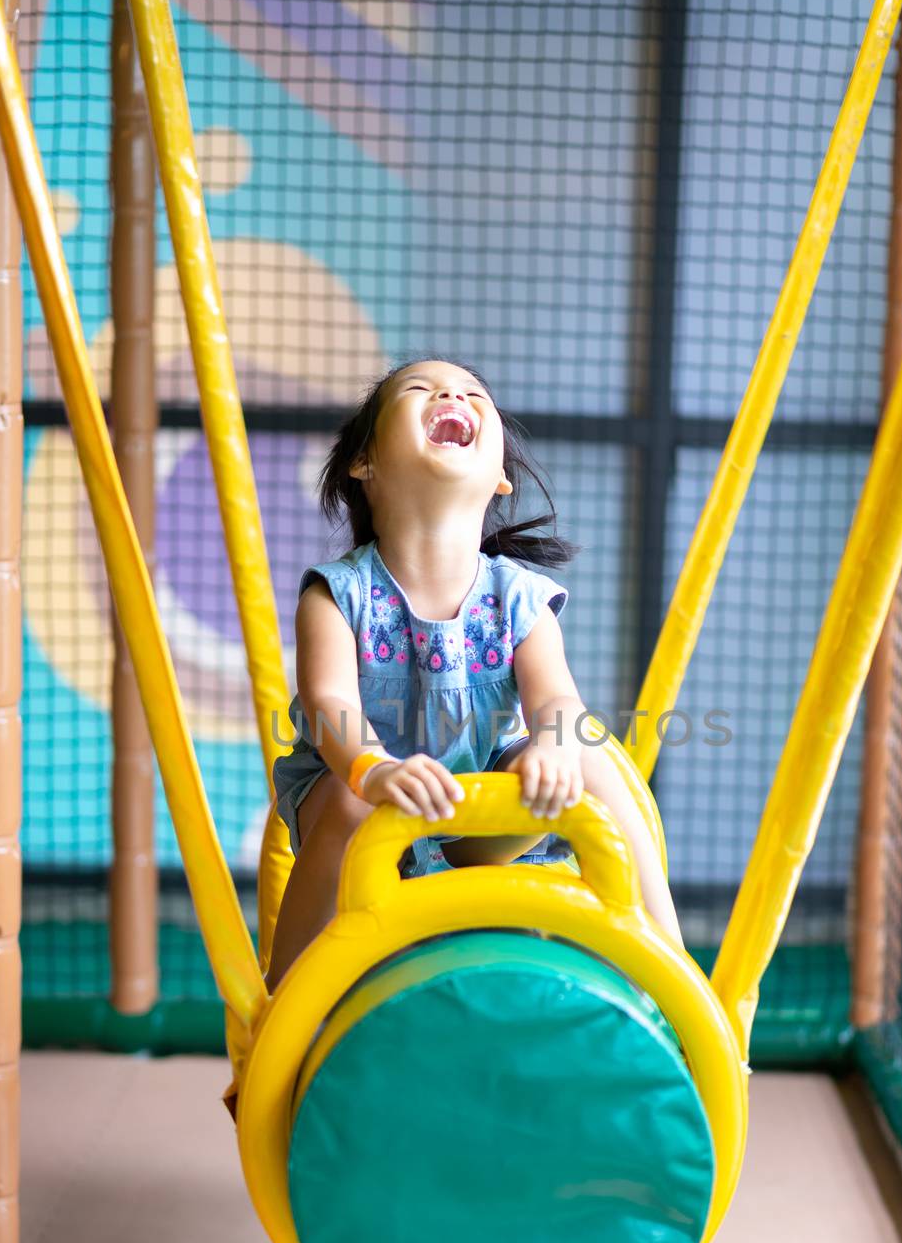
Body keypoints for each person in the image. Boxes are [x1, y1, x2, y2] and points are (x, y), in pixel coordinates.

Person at [265, 357, 683, 993]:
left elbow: (559, 701)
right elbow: (328, 703)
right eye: (420, 389)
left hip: (481, 821)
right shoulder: (337, 594)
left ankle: (671, 973)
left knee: (594, 756)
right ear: (364, 463)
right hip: (369, 808)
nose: (451, 393)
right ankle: (284, 1008)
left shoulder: (520, 598)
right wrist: (374, 769)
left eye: (471, 393)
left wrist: (550, 745)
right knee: (348, 801)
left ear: (501, 481)